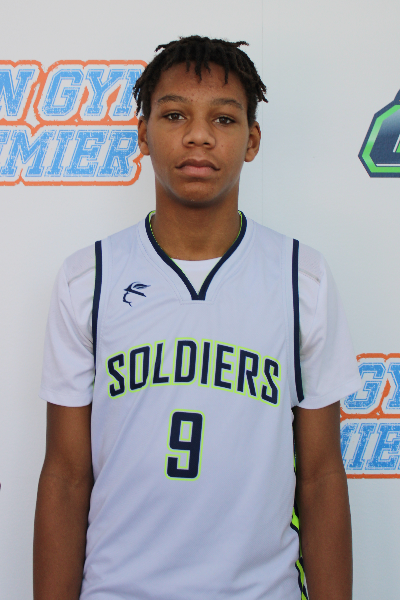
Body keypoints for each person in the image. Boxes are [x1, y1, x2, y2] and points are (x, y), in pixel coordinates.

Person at [34, 36, 361, 600]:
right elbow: (64, 476)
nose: (198, 135)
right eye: (175, 115)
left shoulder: (300, 277)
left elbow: (321, 475)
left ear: (251, 140)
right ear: (143, 134)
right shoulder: (89, 277)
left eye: (224, 119)